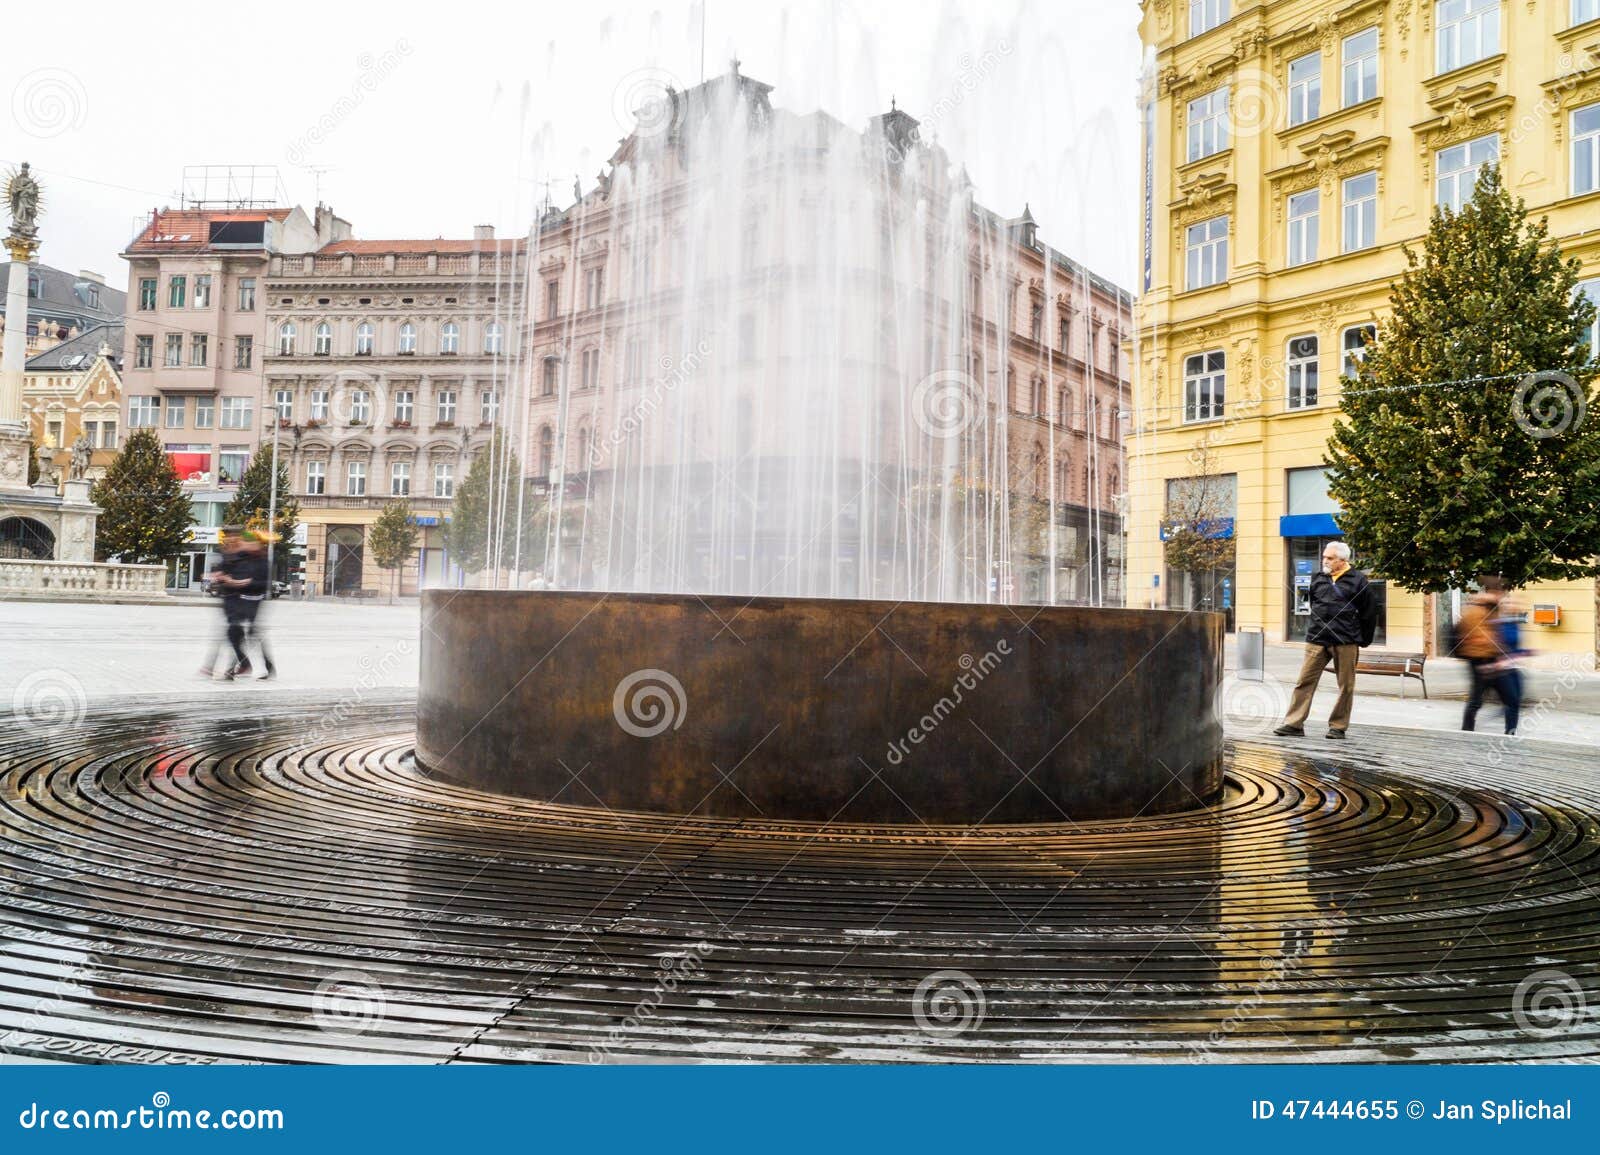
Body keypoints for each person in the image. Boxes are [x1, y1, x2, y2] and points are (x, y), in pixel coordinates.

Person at [1273, 540, 1379, 740]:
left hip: (1346, 640)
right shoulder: (1318, 578)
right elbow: (1311, 602)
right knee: (1304, 681)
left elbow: (1369, 613)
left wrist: (1363, 640)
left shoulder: (1358, 581)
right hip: (1317, 638)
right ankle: (1294, 723)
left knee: (1345, 685)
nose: (1325, 561)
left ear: (1342, 560)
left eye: (1329, 558)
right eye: (1324, 557)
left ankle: (1338, 726)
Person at [1458, 576, 1520, 735]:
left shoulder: (1493, 610)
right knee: (1476, 702)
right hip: (1480, 663)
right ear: (1492, 592)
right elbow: (1480, 638)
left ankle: (1510, 734)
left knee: (1511, 700)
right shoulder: (1477, 612)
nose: (1502, 597)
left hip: (1494, 662)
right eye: (1500, 593)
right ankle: (1466, 733)